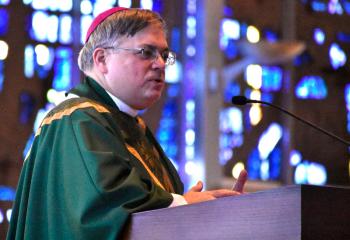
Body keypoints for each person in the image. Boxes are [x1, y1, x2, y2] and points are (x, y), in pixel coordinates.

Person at [7, 7, 247, 239]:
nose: (160, 64)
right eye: (146, 52)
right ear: (101, 59)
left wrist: (196, 208)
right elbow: (106, 204)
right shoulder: (78, 120)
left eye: (164, 55)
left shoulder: (126, 124)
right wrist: (182, 203)